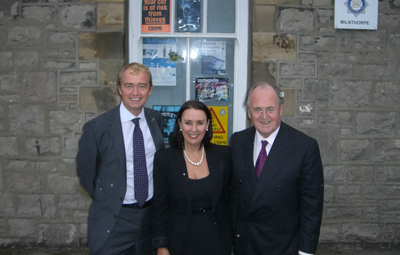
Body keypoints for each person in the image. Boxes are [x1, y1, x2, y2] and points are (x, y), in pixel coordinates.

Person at [76, 62, 165, 255]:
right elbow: (86, 174)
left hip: (149, 218)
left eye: (141, 86)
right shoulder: (97, 128)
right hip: (115, 219)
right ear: (119, 88)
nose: (135, 92)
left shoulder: (155, 119)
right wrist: (109, 197)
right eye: (128, 85)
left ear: (150, 90)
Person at [230, 82, 324, 255]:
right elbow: (234, 195)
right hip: (245, 245)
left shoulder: (304, 146)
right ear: (249, 112)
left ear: (281, 109)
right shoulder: (238, 141)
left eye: (270, 109)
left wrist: (306, 251)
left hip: (284, 246)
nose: (264, 116)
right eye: (257, 109)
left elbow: (312, 205)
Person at [152, 100, 232, 255]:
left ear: (207, 124)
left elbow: (230, 200)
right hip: (178, 242)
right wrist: (161, 245)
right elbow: (159, 207)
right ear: (180, 124)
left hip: (217, 241)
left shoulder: (223, 155)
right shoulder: (165, 159)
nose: (194, 129)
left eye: (200, 123)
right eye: (188, 123)